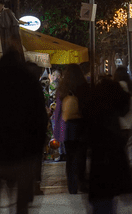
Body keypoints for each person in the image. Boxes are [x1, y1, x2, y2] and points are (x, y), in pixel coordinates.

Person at [0, 50, 48, 214]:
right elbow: (40, 119)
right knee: (22, 206)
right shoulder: (29, 83)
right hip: (23, 153)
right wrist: (36, 149)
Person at [87, 76, 132, 214]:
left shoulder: (94, 111)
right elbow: (125, 107)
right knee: (106, 202)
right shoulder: (111, 120)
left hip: (98, 166)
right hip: (110, 163)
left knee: (102, 202)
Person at [56, 63, 90, 195]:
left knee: (70, 157)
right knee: (81, 156)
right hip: (82, 125)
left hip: (68, 127)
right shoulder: (84, 88)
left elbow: (58, 111)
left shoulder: (63, 89)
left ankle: (72, 186)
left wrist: (58, 131)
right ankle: (82, 182)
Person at [113, 66, 132, 166]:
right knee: (130, 147)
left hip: (118, 124)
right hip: (131, 122)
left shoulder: (114, 88)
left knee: (119, 150)